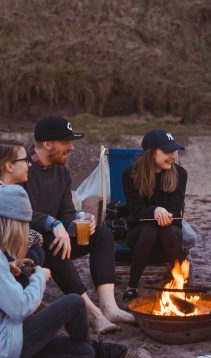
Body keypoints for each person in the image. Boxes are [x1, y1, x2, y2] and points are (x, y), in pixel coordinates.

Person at [0, 185, 127, 358]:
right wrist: (39, 277)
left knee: (84, 355)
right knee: (74, 302)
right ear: (14, 222)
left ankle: (87, 348)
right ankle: (91, 344)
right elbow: (20, 309)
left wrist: (8, 267)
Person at [25, 116, 134, 334]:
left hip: (57, 235)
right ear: (48, 144)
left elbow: (66, 210)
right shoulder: (21, 168)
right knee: (54, 244)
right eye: (65, 142)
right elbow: (19, 210)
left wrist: (75, 222)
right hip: (28, 241)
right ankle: (92, 313)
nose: (71, 147)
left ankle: (109, 307)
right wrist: (54, 224)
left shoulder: (62, 172)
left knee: (102, 235)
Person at [122, 128, 187, 301]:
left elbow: (175, 209)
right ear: (151, 153)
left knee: (167, 229)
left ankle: (180, 285)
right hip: (139, 234)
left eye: (174, 151)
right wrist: (155, 211)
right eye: (167, 151)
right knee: (150, 229)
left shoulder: (180, 174)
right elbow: (136, 210)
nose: (173, 156)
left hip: (170, 233)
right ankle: (132, 286)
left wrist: (165, 215)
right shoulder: (130, 175)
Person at [0, 140, 44, 266]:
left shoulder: (2, 192)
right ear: (9, 166)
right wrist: (36, 236)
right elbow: (8, 240)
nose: (29, 164)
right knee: (31, 254)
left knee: (35, 252)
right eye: (25, 160)